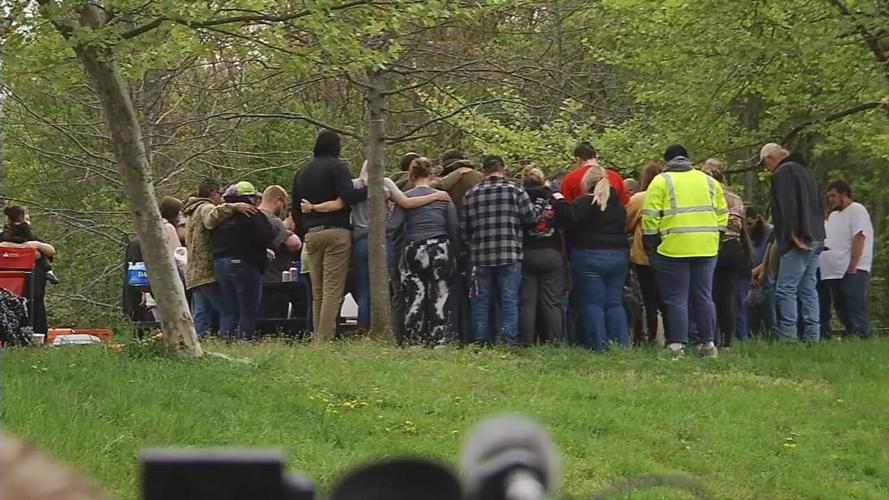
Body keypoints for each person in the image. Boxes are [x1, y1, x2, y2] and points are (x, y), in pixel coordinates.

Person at [302, 162, 450, 331]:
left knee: (363, 289)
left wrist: (312, 207)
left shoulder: (353, 185)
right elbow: (407, 203)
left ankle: (363, 327)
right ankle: (383, 328)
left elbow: (336, 205)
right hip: (381, 240)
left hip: (359, 241)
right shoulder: (385, 183)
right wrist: (435, 196)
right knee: (383, 287)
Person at [642, 145, 727, 357]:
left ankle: (677, 344)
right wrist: (717, 235)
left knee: (676, 297)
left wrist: (651, 239)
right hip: (706, 246)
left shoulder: (661, 181)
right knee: (704, 296)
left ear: (665, 161)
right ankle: (708, 343)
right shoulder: (708, 181)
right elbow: (722, 213)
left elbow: (651, 214)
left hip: (674, 246)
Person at [291, 130, 368, 341]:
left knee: (317, 291)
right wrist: (368, 187)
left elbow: (295, 209)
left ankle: (317, 334)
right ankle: (324, 340)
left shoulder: (302, 173)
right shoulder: (337, 167)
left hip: (312, 235)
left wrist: (304, 231)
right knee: (332, 290)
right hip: (336, 232)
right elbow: (349, 195)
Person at [461, 155, 538, 345]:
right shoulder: (515, 190)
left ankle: (480, 341)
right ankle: (508, 341)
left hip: (480, 256)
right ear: (503, 168)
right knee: (509, 300)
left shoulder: (471, 194)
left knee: (481, 301)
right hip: (509, 253)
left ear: (483, 170)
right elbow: (530, 219)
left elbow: (464, 228)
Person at [753, 143, 825, 342]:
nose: (766, 168)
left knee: (786, 288)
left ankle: (788, 337)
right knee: (808, 288)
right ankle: (813, 335)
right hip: (817, 235)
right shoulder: (806, 171)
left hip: (799, 238)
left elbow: (788, 206)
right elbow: (818, 206)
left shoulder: (783, 172)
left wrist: (793, 235)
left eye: (765, 164)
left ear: (770, 157)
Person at [388, 157, 460, 346]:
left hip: (413, 248)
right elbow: (453, 228)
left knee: (414, 295)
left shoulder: (406, 198)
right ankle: (438, 339)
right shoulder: (444, 198)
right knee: (440, 294)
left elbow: (393, 226)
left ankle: (414, 340)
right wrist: (458, 256)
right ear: (432, 175)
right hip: (439, 248)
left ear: (411, 176)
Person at [567, 163, 630, 351]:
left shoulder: (582, 204)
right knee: (614, 302)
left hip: (589, 254)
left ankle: (597, 345)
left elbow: (571, 227)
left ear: (587, 182)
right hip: (618, 255)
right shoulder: (618, 205)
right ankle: (620, 344)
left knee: (593, 303)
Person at [183, 179, 256, 337]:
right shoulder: (205, 207)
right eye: (220, 194)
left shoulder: (192, 211)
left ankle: (197, 343)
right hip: (206, 271)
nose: (222, 198)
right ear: (213, 193)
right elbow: (211, 218)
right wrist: (233, 207)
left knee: (201, 313)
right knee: (227, 311)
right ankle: (227, 342)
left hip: (194, 272)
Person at [210, 181, 274, 340]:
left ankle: (226, 343)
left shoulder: (220, 214)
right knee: (248, 310)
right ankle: (244, 344)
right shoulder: (251, 213)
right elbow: (265, 236)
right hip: (245, 263)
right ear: (250, 198)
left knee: (229, 310)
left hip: (220, 263)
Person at [517, 166, 569, 345]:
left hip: (527, 252)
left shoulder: (519, 197)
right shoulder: (552, 198)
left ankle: (526, 341)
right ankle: (555, 340)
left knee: (527, 302)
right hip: (551, 252)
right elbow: (566, 214)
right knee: (552, 302)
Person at [701, 159, 748, 347]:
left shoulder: (706, 194)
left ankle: (709, 337)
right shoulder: (735, 198)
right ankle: (728, 339)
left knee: (707, 294)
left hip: (712, 245)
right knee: (728, 295)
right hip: (733, 247)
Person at [818, 180, 873, 338]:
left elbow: (859, 237)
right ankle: (851, 335)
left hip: (853, 268)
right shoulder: (834, 215)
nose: (830, 200)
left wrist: (853, 265)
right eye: (828, 196)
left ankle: (862, 336)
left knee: (854, 305)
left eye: (833, 196)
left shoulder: (856, 210)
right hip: (834, 270)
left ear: (844, 194)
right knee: (841, 306)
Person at [0, 205, 56, 334]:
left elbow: (50, 251)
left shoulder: (30, 238)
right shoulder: (9, 235)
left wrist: (36, 245)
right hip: (14, 280)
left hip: (28, 281)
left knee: (33, 303)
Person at [625, 163, 665, 344]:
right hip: (669, 252)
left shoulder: (639, 199)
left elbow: (627, 223)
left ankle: (649, 338)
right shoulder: (671, 196)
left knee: (647, 300)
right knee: (668, 299)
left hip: (643, 255)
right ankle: (672, 337)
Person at [559, 142, 630, 204]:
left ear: (578, 159)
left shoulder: (570, 178)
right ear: (596, 157)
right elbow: (624, 201)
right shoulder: (615, 176)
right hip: (611, 218)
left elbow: (565, 204)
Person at [259, 185, 303, 282]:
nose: (283, 209)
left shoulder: (253, 216)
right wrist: (287, 229)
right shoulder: (272, 219)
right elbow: (295, 244)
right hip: (274, 274)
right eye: (284, 205)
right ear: (277, 200)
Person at [745, 206, 776, 335]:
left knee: (770, 314)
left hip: (767, 278)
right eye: (744, 224)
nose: (747, 227)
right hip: (749, 280)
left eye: (749, 223)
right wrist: (748, 275)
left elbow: (771, 255)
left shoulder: (769, 232)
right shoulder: (742, 234)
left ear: (757, 219)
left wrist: (758, 271)